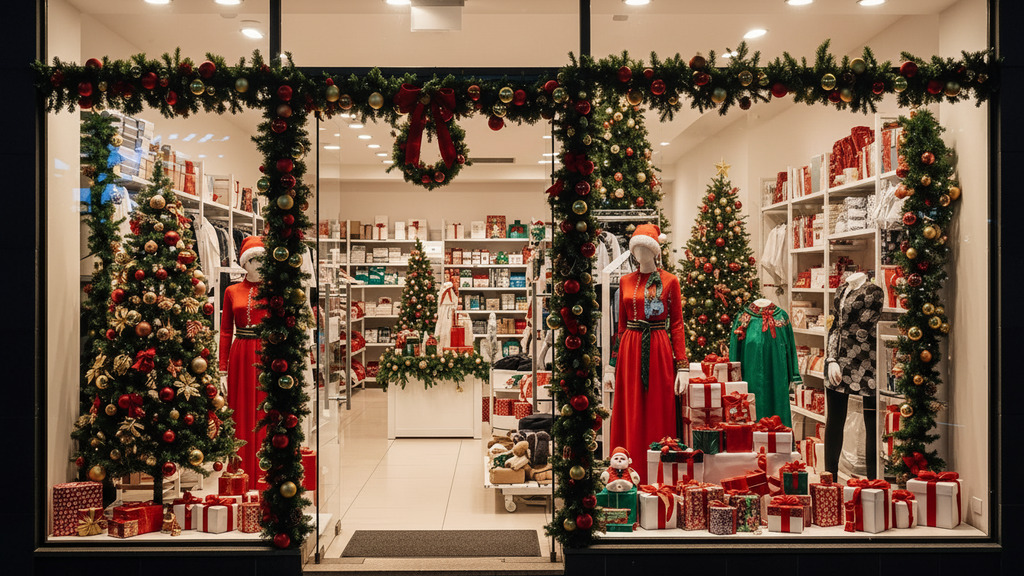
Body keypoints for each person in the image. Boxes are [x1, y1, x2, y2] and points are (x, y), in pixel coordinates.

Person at [610, 224, 688, 485]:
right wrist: (612, 365)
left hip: (658, 346)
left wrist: (683, 366)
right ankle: (625, 472)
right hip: (631, 348)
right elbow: (620, 326)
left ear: (655, 251)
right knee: (630, 407)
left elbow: (676, 324)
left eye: (645, 247)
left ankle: (658, 476)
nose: (640, 252)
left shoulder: (670, 281)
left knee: (657, 406)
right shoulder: (624, 281)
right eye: (636, 248)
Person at [219, 236, 267, 486]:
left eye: (261, 259)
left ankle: (265, 469)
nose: (257, 265)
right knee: (239, 409)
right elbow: (226, 330)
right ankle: (240, 469)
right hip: (240, 354)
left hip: (266, 354)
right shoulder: (231, 291)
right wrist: (222, 369)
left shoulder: (274, 290)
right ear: (244, 263)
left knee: (263, 408)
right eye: (252, 260)